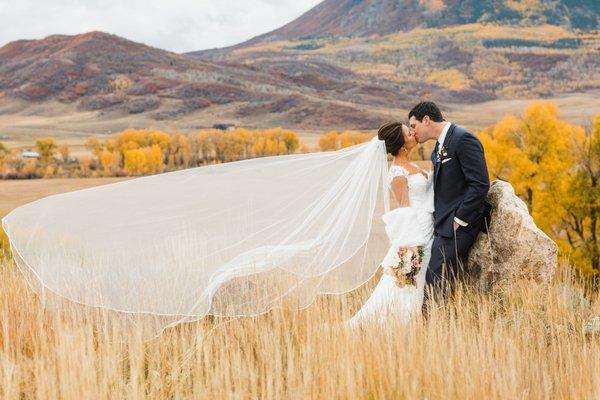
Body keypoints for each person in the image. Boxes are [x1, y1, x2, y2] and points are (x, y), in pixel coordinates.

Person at [346, 121, 434, 327]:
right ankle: (400, 323)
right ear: (402, 144)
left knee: (417, 281)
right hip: (417, 235)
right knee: (410, 281)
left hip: (429, 226)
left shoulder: (412, 166)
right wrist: (410, 248)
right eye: (408, 133)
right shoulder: (397, 173)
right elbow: (404, 209)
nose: (413, 133)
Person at [408, 101, 491, 315]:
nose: (413, 132)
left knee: (435, 278)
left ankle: (430, 329)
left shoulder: (464, 139)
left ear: (426, 119)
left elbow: (480, 184)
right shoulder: (438, 147)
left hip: (460, 225)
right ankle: (440, 327)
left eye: (414, 125)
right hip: (442, 223)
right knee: (438, 279)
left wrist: (459, 220)